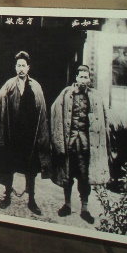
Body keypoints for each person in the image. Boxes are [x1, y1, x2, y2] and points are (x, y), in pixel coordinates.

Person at [0, 51, 52, 214]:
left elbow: (42, 111)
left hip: (30, 136)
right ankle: (7, 196)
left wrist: (41, 136)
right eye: (18, 65)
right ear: (15, 67)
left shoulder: (36, 86)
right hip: (13, 134)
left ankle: (32, 200)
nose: (21, 69)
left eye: (24, 65)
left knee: (31, 168)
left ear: (29, 67)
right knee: (9, 165)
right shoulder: (9, 84)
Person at [50, 65, 111, 224]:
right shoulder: (66, 94)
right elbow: (54, 113)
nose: (83, 80)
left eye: (86, 77)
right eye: (81, 77)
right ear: (76, 78)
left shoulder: (96, 97)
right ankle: (67, 205)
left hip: (86, 145)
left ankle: (85, 209)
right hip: (69, 143)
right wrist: (58, 140)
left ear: (89, 79)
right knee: (68, 175)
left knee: (85, 177)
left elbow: (104, 120)